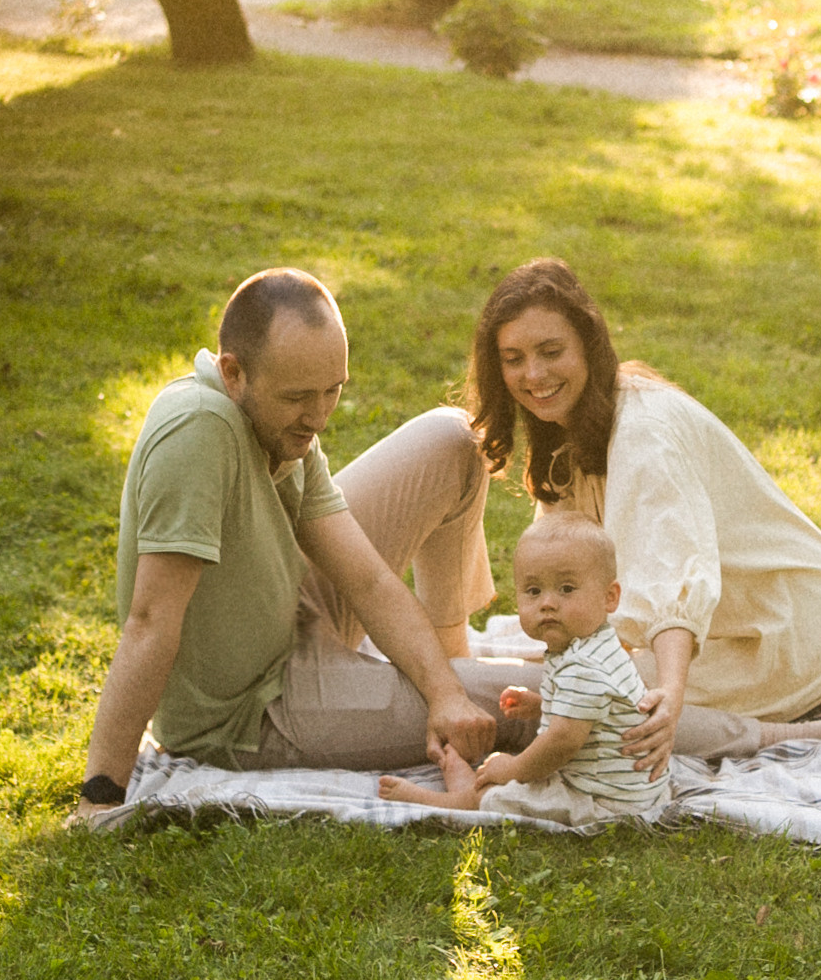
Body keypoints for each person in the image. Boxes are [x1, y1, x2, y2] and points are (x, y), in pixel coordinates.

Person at [70, 267, 543, 820]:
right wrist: (99, 796)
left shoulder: (283, 425)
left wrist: (443, 691)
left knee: (450, 440)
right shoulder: (197, 435)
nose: (318, 418)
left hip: (292, 607)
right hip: (256, 710)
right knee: (533, 700)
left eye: (332, 391)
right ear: (233, 373)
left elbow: (365, 579)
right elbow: (150, 620)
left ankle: (451, 662)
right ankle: (662, 710)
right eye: (298, 396)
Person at [467, 258, 821, 779]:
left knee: (602, 700)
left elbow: (674, 581)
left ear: (588, 345)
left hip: (796, 627)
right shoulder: (570, 425)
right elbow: (581, 575)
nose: (533, 375)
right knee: (561, 679)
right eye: (514, 359)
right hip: (729, 623)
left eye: (551, 352)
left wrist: (668, 693)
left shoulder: (645, 435)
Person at [380, 512, 667, 821]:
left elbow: (563, 741)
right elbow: (591, 710)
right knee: (511, 776)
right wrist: (543, 705)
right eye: (533, 591)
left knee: (507, 792)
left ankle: (448, 802)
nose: (547, 603)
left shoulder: (584, 665)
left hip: (604, 800)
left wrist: (513, 769)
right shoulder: (595, 644)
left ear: (609, 597)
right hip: (624, 785)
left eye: (566, 589)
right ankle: (468, 788)